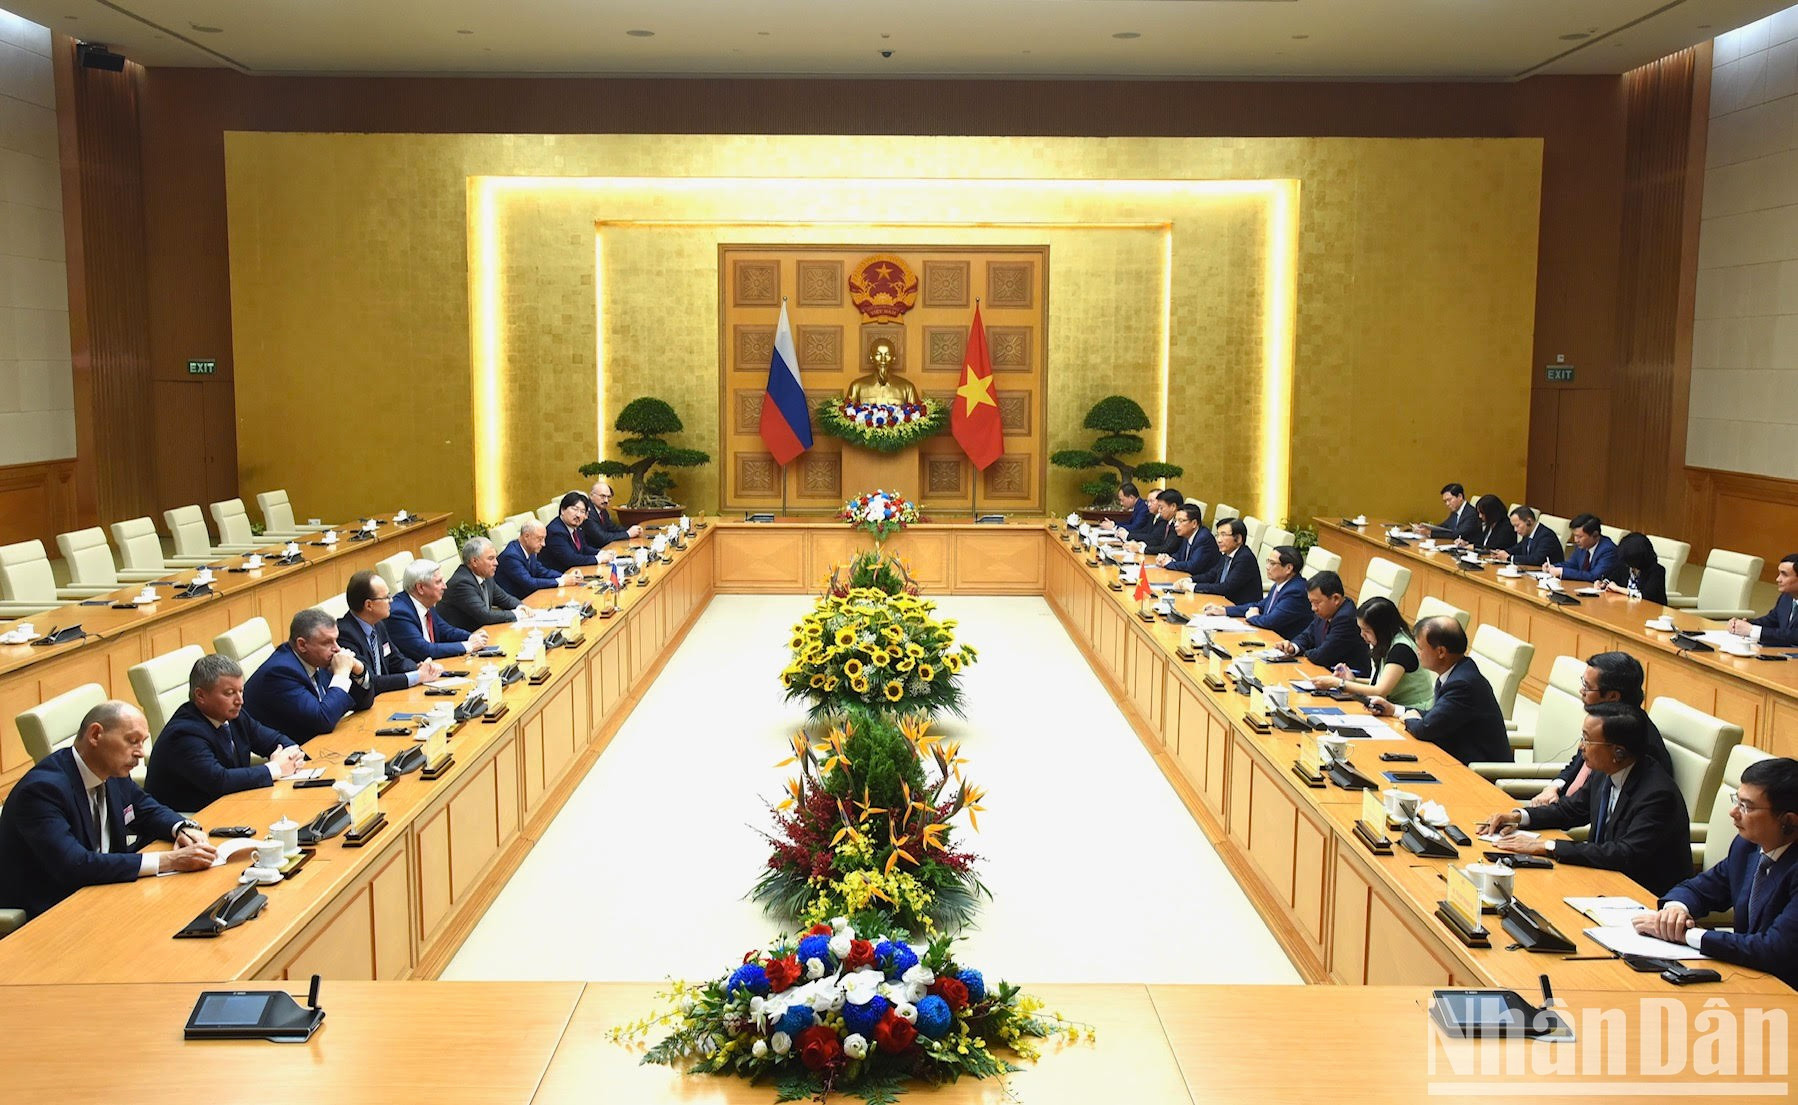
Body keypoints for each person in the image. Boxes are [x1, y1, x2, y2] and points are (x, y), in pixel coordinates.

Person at [0, 701, 214, 920]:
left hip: (106, 894)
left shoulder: (111, 771)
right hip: (53, 912)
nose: (140, 753)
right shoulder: (42, 791)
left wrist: (182, 828)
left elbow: (145, 808)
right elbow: (74, 865)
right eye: (132, 741)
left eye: (143, 742)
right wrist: (170, 860)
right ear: (95, 735)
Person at [1479, 702, 1692, 896]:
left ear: (1618, 752)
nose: (1581, 747)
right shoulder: (1604, 772)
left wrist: (1548, 846)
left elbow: (1625, 853)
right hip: (1600, 879)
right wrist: (1518, 816)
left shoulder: (1657, 795)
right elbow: (1569, 810)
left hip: (1641, 895)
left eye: (1588, 740)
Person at [1633, 757, 1798, 989]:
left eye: (1746, 807)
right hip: (1750, 978)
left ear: (1788, 821)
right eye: (1736, 801)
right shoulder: (1747, 847)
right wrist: (1676, 910)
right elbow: (1697, 888)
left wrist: (1688, 935)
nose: (1733, 813)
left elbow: (1775, 949)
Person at [145, 654, 307, 814]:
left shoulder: (234, 716)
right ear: (200, 695)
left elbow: (275, 740)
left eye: (241, 691)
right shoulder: (184, 734)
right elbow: (219, 781)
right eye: (229, 693)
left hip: (230, 806)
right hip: (191, 819)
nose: (240, 700)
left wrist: (291, 756)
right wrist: (275, 768)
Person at [1525, 651, 1674, 807]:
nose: (1581, 691)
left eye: (1588, 687)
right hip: (1563, 806)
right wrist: (1554, 786)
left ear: (1613, 697)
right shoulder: (1602, 725)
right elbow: (1579, 762)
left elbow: (1610, 807)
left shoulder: (1638, 745)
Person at [1367, 615, 1511, 765]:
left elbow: (1426, 728)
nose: (1417, 652)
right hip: (1455, 761)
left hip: (1481, 774)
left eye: (1420, 648)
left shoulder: (1462, 684)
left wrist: (1411, 719)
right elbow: (1438, 716)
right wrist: (1393, 709)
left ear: (1441, 652)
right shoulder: (1457, 672)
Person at [243, 608, 375, 740]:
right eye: (327, 643)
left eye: (336, 640)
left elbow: (364, 703)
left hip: (317, 740)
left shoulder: (318, 659)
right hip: (285, 751)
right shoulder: (281, 672)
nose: (337, 649)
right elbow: (323, 721)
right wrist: (341, 674)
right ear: (302, 645)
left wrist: (359, 670)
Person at [1309, 594, 1433, 711]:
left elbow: (1380, 690)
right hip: (1391, 709)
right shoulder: (1384, 642)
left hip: (1413, 712)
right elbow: (1381, 681)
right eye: (1361, 629)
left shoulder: (1401, 649)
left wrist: (1338, 683)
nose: (1362, 635)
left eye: (1366, 631)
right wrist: (1353, 680)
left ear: (1382, 629)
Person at [335, 570, 442, 694]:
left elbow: (396, 660)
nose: (391, 601)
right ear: (369, 605)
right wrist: (417, 676)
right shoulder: (345, 635)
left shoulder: (378, 624)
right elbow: (371, 681)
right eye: (386, 597)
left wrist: (419, 668)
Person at [389, 558, 489, 662]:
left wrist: (472, 637)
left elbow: (446, 630)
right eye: (438, 582)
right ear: (420, 588)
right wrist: (468, 646)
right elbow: (424, 650)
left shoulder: (426, 602)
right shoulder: (399, 613)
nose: (445, 586)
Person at [1275, 570, 1372, 672]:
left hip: (1349, 679)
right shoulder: (1326, 611)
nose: (1313, 608)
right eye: (1311, 602)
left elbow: (1322, 656)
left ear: (1336, 599)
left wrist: (1304, 653)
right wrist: (1293, 647)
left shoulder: (1346, 619)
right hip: (1325, 672)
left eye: (1316, 603)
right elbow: (1308, 635)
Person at [1210, 545, 1310, 639]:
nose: (1267, 566)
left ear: (1288, 568)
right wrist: (1224, 611)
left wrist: (1253, 617)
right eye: (1268, 561)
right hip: (1268, 637)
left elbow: (1270, 621)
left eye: (1272, 563)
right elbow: (1260, 606)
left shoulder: (1296, 591)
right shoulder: (1281, 583)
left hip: (1283, 644)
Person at [440, 537, 522, 631]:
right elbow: (486, 616)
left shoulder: (486, 576)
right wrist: (517, 614)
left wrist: (521, 607)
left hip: (481, 633)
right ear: (474, 561)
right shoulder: (462, 583)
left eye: (495, 558)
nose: (496, 563)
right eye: (491, 559)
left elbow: (504, 598)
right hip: (461, 639)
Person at [498, 519, 582, 600]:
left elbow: (542, 571)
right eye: (540, 539)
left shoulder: (530, 549)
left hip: (530, 596)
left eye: (544, 539)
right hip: (516, 604)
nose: (543, 544)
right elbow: (529, 583)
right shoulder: (511, 556)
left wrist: (567, 577)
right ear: (526, 536)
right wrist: (562, 581)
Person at [1188, 517, 1262, 605]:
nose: (1218, 540)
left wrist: (1193, 587)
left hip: (1240, 610)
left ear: (1238, 538)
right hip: (1221, 604)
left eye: (1223, 535)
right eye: (1217, 535)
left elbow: (1226, 587)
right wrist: (1190, 580)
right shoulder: (1226, 554)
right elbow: (1211, 575)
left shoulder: (1245, 558)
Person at [1728, 553, 1798, 647]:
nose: (1778, 579)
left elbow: (1793, 636)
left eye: (1784, 575)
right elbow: (1771, 621)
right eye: (1779, 573)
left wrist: (1752, 630)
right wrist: (1743, 623)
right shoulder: (1786, 598)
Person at [542, 491, 605, 573]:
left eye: (582, 511)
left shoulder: (577, 528)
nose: (578, 515)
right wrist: (599, 559)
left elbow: (584, 548)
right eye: (575, 509)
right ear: (563, 510)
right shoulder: (555, 531)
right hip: (558, 576)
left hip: (574, 573)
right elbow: (571, 559)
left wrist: (602, 553)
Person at [1601, 532, 1668, 605]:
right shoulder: (1625, 566)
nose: (1627, 564)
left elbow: (1646, 596)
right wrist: (1604, 583)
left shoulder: (1657, 571)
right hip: (1625, 607)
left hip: (1650, 611)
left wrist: (1618, 589)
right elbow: (1613, 577)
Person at [1156, 504, 1219, 579]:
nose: (1176, 525)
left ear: (1194, 523)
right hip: (1185, 577)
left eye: (1181, 521)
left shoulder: (1203, 538)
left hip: (1202, 582)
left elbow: (1192, 566)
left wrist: (1168, 563)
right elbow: (1179, 555)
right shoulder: (1187, 534)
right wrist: (1167, 558)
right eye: (1175, 520)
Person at [1548, 513, 1617, 582]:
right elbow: (1572, 564)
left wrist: (1562, 572)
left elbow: (1594, 576)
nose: (1576, 540)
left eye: (1579, 537)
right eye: (1575, 536)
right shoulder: (1583, 545)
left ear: (1595, 535)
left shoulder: (1608, 550)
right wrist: (1553, 566)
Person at [1490, 505, 1563, 568]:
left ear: (1529, 521)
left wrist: (1509, 557)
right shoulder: (1528, 534)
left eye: (1517, 525)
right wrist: (1502, 553)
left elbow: (1536, 559)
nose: (1515, 530)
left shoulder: (1546, 536)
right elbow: (1519, 547)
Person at [581, 479, 642, 547]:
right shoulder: (587, 512)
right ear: (591, 496)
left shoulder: (602, 510)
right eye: (602, 496)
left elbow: (612, 528)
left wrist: (632, 529)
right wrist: (628, 534)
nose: (606, 500)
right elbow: (602, 538)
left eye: (609, 497)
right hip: (593, 551)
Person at [1415, 483, 1479, 543]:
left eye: (1449, 500)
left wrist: (1430, 533)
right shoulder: (1455, 511)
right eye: (1445, 501)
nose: (1447, 504)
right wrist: (1427, 527)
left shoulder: (1471, 513)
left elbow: (1458, 534)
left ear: (1460, 497)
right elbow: (1444, 526)